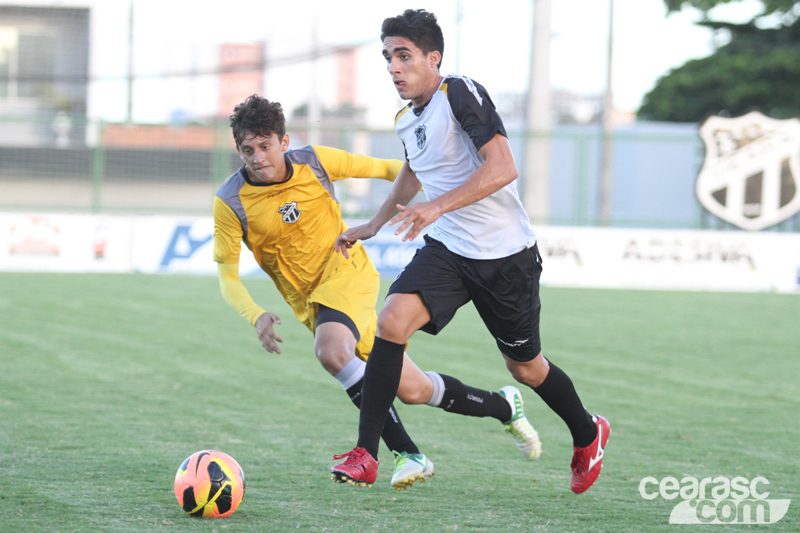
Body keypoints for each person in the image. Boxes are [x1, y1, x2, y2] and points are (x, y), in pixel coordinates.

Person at [331, 9, 609, 494]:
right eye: (387, 58)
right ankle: (366, 454)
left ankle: (589, 432)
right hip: (449, 249)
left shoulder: (458, 91)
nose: (394, 67)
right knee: (391, 322)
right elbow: (414, 171)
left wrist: (436, 206)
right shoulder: (404, 118)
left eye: (404, 56)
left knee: (525, 368)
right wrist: (374, 224)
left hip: (505, 257)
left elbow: (502, 166)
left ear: (432, 57)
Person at [213, 94, 542, 490]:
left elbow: (389, 169)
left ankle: (406, 453)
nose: (258, 158)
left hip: (347, 272)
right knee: (415, 390)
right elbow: (227, 276)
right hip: (312, 305)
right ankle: (504, 406)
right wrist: (256, 313)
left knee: (331, 350)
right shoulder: (230, 202)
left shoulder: (315, 161)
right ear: (239, 149)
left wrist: (444, 197)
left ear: (284, 142)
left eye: (266, 146)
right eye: (248, 150)